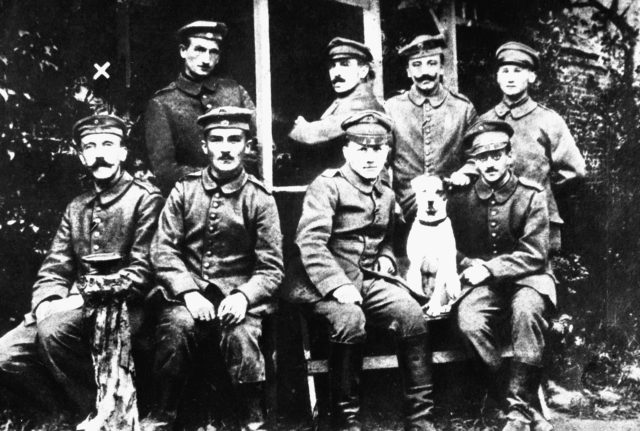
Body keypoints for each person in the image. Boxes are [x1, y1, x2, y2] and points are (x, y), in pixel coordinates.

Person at [0, 114, 163, 417]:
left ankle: (102, 413)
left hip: (127, 305)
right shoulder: (77, 206)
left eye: (107, 144)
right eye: (90, 146)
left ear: (123, 152)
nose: (99, 154)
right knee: (5, 356)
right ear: (81, 155)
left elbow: (143, 271)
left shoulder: (145, 199)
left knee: (54, 332)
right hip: (71, 307)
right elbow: (54, 267)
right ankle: (64, 413)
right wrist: (48, 301)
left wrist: (82, 298)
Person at [283, 111, 436, 431]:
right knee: (351, 320)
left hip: (366, 278)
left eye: (377, 149)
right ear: (347, 152)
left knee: (410, 313)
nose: (369, 157)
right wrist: (338, 286)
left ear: (386, 153)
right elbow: (310, 244)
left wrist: (386, 260)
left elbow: (386, 240)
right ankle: (345, 418)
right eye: (361, 149)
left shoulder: (385, 192)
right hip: (321, 281)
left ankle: (421, 418)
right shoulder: (326, 187)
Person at [148, 107, 283, 431]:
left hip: (238, 294)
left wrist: (243, 297)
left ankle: (254, 417)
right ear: (205, 146)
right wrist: (189, 293)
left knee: (242, 334)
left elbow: (271, 267)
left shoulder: (259, 198)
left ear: (246, 145)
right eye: (217, 139)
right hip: (188, 293)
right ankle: (162, 415)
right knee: (176, 327)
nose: (225, 147)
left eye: (234, 139)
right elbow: (163, 250)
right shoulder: (184, 190)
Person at [448, 119, 554, 431]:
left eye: (497, 156)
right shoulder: (460, 198)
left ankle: (518, 415)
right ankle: (517, 406)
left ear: (509, 157)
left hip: (529, 278)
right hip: (483, 282)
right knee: (469, 322)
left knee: (526, 312)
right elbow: (447, 246)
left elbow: (535, 253)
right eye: (482, 158)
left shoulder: (531, 195)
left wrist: (491, 268)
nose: (490, 164)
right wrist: (469, 265)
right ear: (474, 162)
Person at [479, 41, 585, 252]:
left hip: (537, 222)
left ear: (531, 77)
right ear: (497, 77)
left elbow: (576, 172)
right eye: (505, 71)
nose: (510, 77)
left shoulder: (548, 120)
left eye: (518, 71)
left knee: (539, 279)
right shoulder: (484, 121)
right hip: (494, 221)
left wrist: (542, 192)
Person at [145, 20, 256, 195]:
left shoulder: (235, 92)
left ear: (219, 57)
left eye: (213, 52)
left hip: (240, 194)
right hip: (191, 200)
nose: (206, 59)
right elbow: (165, 169)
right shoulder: (162, 103)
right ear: (183, 51)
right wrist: (214, 179)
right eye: (199, 50)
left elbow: (259, 146)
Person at [386, 34, 477, 222]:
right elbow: (380, 162)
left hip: (453, 207)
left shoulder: (463, 108)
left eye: (431, 63)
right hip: (405, 210)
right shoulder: (392, 108)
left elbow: (477, 155)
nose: (424, 72)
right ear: (408, 71)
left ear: (442, 68)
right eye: (417, 65)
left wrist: (465, 172)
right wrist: (388, 200)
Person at [288, 37, 385, 180]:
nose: (336, 73)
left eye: (345, 64)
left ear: (363, 71)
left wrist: (298, 126)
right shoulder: (345, 99)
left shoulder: (361, 104)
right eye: (333, 66)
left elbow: (312, 135)